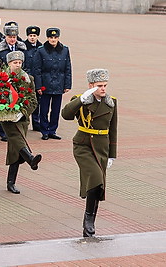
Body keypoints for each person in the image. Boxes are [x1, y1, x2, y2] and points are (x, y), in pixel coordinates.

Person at [61, 68, 117, 237]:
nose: (103, 89)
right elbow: (65, 115)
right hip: (83, 145)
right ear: (91, 85)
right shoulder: (81, 100)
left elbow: (113, 129)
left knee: (99, 185)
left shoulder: (111, 102)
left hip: (102, 147)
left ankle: (90, 221)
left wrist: (112, 153)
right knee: (95, 178)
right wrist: (80, 100)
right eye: (99, 85)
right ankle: (88, 219)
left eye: (105, 85)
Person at [0, 51, 42, 194]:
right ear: (9, 64)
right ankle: (30, 158)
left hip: (22, 118)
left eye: (19, 63)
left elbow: (33, 100)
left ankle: (11, 182)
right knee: (17, 140)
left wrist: (22, 112)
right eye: (14, 63)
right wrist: (5, 110)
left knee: (15, 149)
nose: (17, 65)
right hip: (6, 118)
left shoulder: (27, 78)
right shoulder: (1, 78)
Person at [33, 27, 72, 140]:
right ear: (47, 38)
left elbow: (68, 68)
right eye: (51, 37)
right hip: (45, 84)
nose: (53, 40)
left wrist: (67, 85)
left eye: (55, 37)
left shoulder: (65, 50)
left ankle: (52, 130)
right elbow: (37, 70)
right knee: (44, 110)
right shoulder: (41, 50)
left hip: (59, 84)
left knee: (56, 110)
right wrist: (38, 86)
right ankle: (44, 131)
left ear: (58, 38)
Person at [24, 26, 42, 131]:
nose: (32, 38)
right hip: (27, 78)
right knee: (26, 102)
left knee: (36, 102)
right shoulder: (24, 47)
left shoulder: (41, 47)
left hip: (37, 79)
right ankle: (25, 122)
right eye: (30, 36)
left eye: (34, 36)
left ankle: (36, 123)